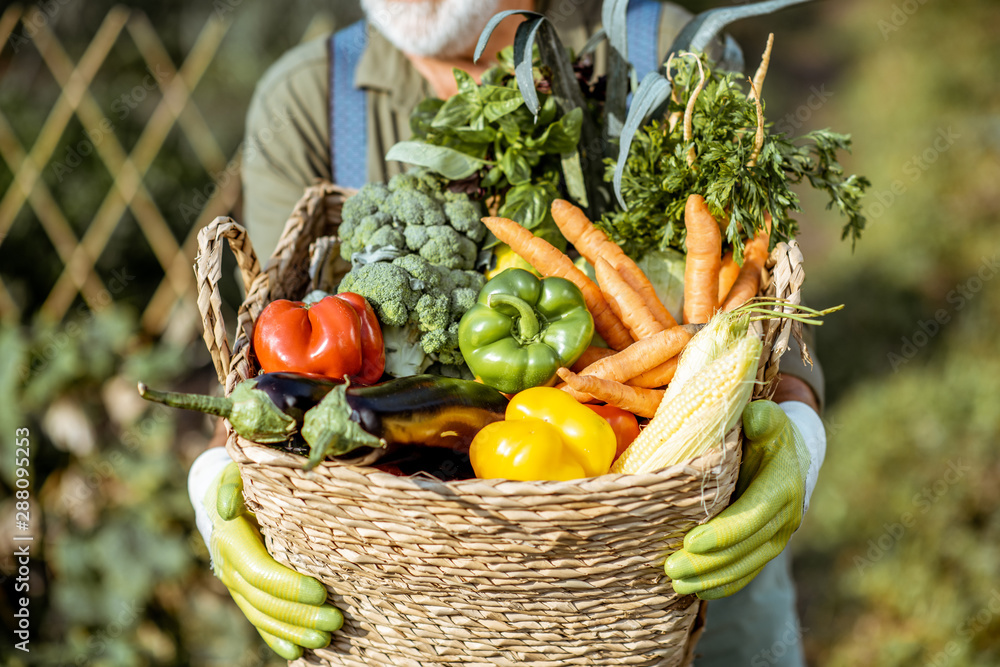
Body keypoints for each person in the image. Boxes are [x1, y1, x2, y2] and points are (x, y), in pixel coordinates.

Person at [186, 0, 828, 664]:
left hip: (683, 574)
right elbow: (266, 364)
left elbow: (759, 294)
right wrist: (215, 491)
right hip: (407, 618)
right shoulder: (302, 101)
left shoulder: (658, 47)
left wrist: (797, 433)